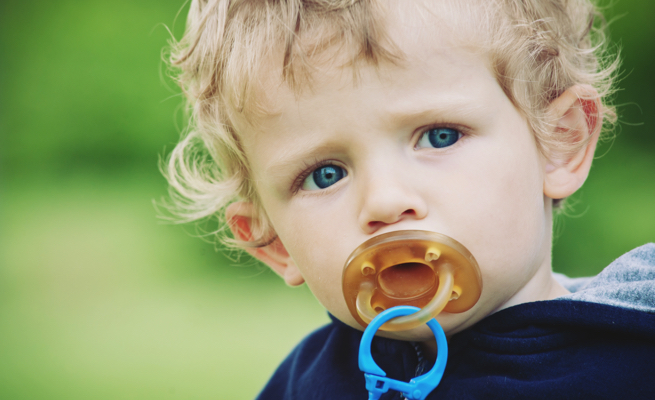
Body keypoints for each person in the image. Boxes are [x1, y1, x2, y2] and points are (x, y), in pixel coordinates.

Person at [163, 0, 655, 398]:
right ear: (275, 243)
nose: (384, 201)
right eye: (324, 174)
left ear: (557, 142)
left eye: (439, 136)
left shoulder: (632, 356)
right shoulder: (305, 386)